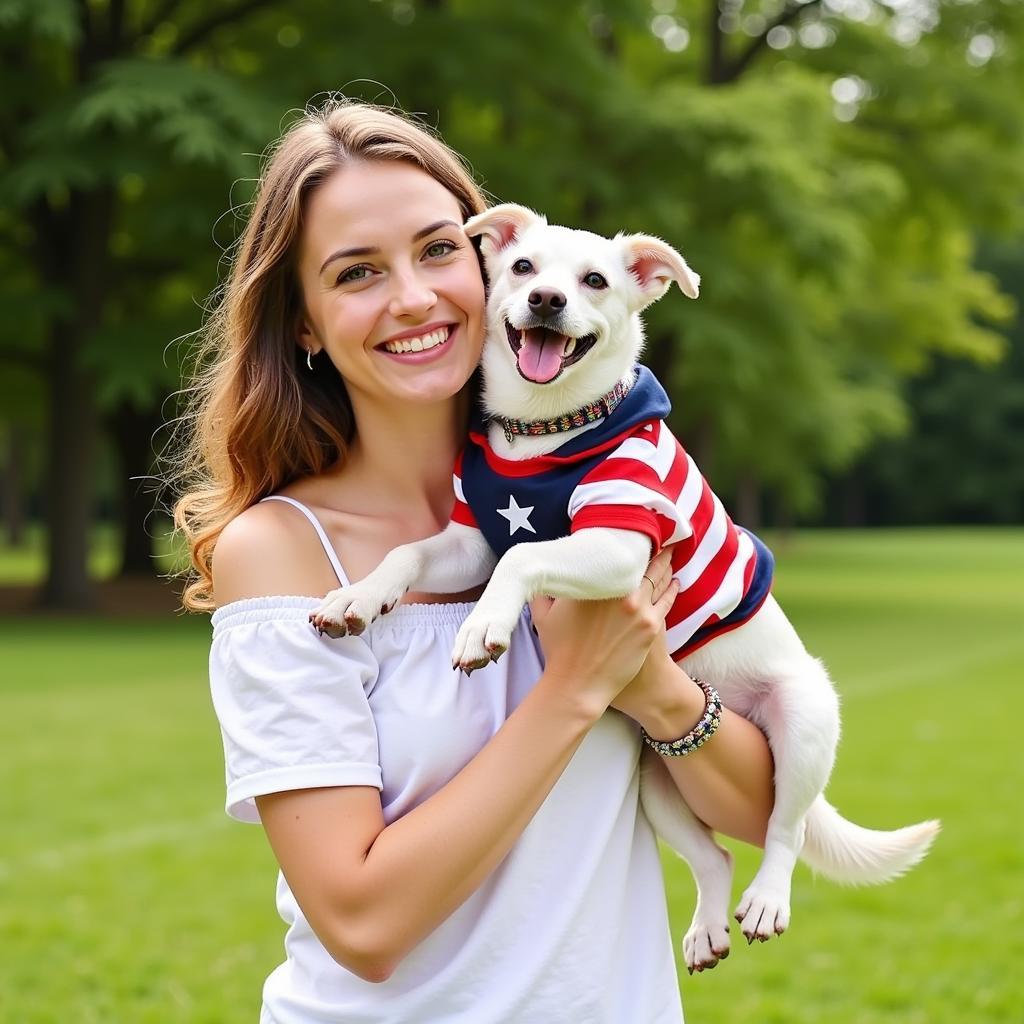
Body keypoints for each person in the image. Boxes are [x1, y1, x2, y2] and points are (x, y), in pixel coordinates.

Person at [173, 98, 775, 1024]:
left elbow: (759, 817)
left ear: (487, 260)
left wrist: (650, 681)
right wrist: (574, 688)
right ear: (304, 322)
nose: (413, 296)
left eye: (438, 249)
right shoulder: (286, 554)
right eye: (358, 272)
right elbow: (364, 925)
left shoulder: (605, 501)